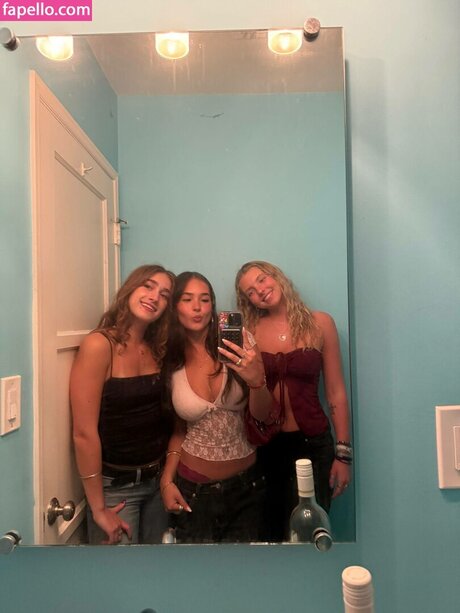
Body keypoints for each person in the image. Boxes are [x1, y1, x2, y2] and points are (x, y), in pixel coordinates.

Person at [235, 260, 352, 542]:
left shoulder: (320, 323)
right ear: (248, 301)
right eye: (251, 291)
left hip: (314, 445)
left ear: (277, 277)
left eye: (262, 279)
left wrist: (343, 455)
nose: (260, 291)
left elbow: (335, 392)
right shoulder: (249, 332)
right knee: (270, 534)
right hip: (267, 447)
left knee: (313, 533)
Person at [160, 271, 271, 543]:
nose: (197, 307)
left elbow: (263, 416)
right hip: (193, 490)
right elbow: (179, 430)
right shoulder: (169, 357)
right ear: (175, 306)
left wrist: (257, 381)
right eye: (187, 299)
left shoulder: (239, 341)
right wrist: (166, 481)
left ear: (213, 304)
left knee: (246, 566)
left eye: (205, 299)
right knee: (198, 568)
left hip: (248, 486)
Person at [70, 264, 175, 545]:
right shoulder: (99, 345)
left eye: (164, 295)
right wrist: (98, 508)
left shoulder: (156, 348)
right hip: (116, 491)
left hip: (157, 484)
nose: (154, 297)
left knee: (156, 568)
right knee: (118, 571)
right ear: (130, 288)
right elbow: (83, 433)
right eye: (148, 286)